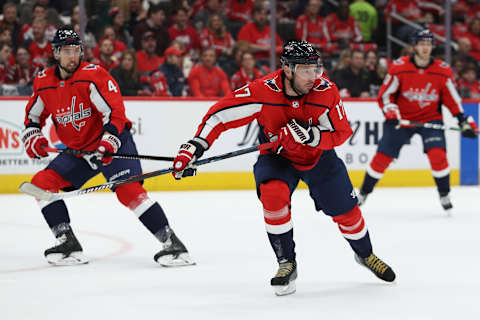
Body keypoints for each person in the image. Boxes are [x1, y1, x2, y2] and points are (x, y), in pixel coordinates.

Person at [172, 40, 396, 296]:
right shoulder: (262, 91)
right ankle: (286, 263)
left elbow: (341, 132)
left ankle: (365, 255)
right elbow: (220, 116)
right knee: (273, 197)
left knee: (348, 213)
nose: (313, 77)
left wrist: (311, 136)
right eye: (305, 70)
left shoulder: (326, 91)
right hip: (277, 158)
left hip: (318, 158)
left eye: (316, 69)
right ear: (287, 70)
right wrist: (193, 147)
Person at [20, 28, 193, 267]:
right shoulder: (43, 82)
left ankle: (173, 244)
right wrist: (33, 136)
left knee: (128, 191)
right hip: (78, 152)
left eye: (76, 51)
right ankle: (67, 243)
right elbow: (33, 117)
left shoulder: (93, 75)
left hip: (112, 144)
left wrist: (108, 141)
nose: (73, 57)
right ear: (56, 53)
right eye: (67, 52)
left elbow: (115, 114)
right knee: (41, 184)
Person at [357, 29, 479, 213]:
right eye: (421, 44)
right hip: (401, 120)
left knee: (438, 156)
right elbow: (386, 96)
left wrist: (463, 121)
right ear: (414, 46)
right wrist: (391, 113)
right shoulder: (399, 67)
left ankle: (444, 193)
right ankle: (364, 192)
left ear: (432, 47)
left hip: (431, 119)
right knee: (382, 158)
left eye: (428, 44)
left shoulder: (442, 70)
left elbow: (452, 100)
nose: (425, 47)